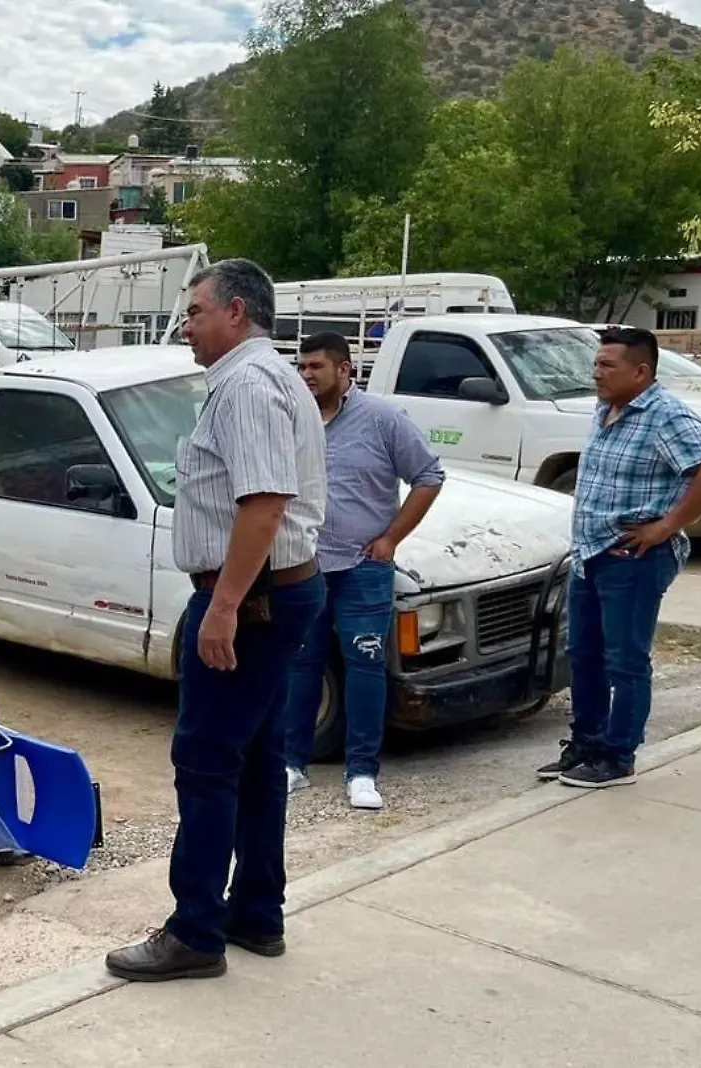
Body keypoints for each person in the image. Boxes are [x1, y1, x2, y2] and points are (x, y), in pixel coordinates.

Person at [105, 259, 327, 983]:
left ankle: (195, 929)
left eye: (195, 312)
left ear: (236, 311)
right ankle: (255, 913)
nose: (186, 326)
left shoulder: (247, 386)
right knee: (255, 759)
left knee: (203, 760)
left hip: (254, 598)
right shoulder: (261, 379)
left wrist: (224, 606)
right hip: (271, 592)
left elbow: (263, 503)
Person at [537, 328, 701, 789]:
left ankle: (617, 756)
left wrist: (667, 526)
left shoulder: (666, 416)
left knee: (625, 660)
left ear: (641, 371)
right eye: (597, 363)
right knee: (583, 654)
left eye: (608, 366)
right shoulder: (605, 408)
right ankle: (585, 744)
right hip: (591, 555)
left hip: (633, 560)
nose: (596, 373)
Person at [281, 333, 444, 810]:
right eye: (302, 367)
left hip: (362, 567)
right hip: (304, 563)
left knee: (364, 665)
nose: (307, 375)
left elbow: (428, 476)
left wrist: (390, 539)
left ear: (345, 370)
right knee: (302, 663)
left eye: (316, 367)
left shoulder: (383, 420)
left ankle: (362, 771)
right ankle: (292, 763)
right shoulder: (294, 420)